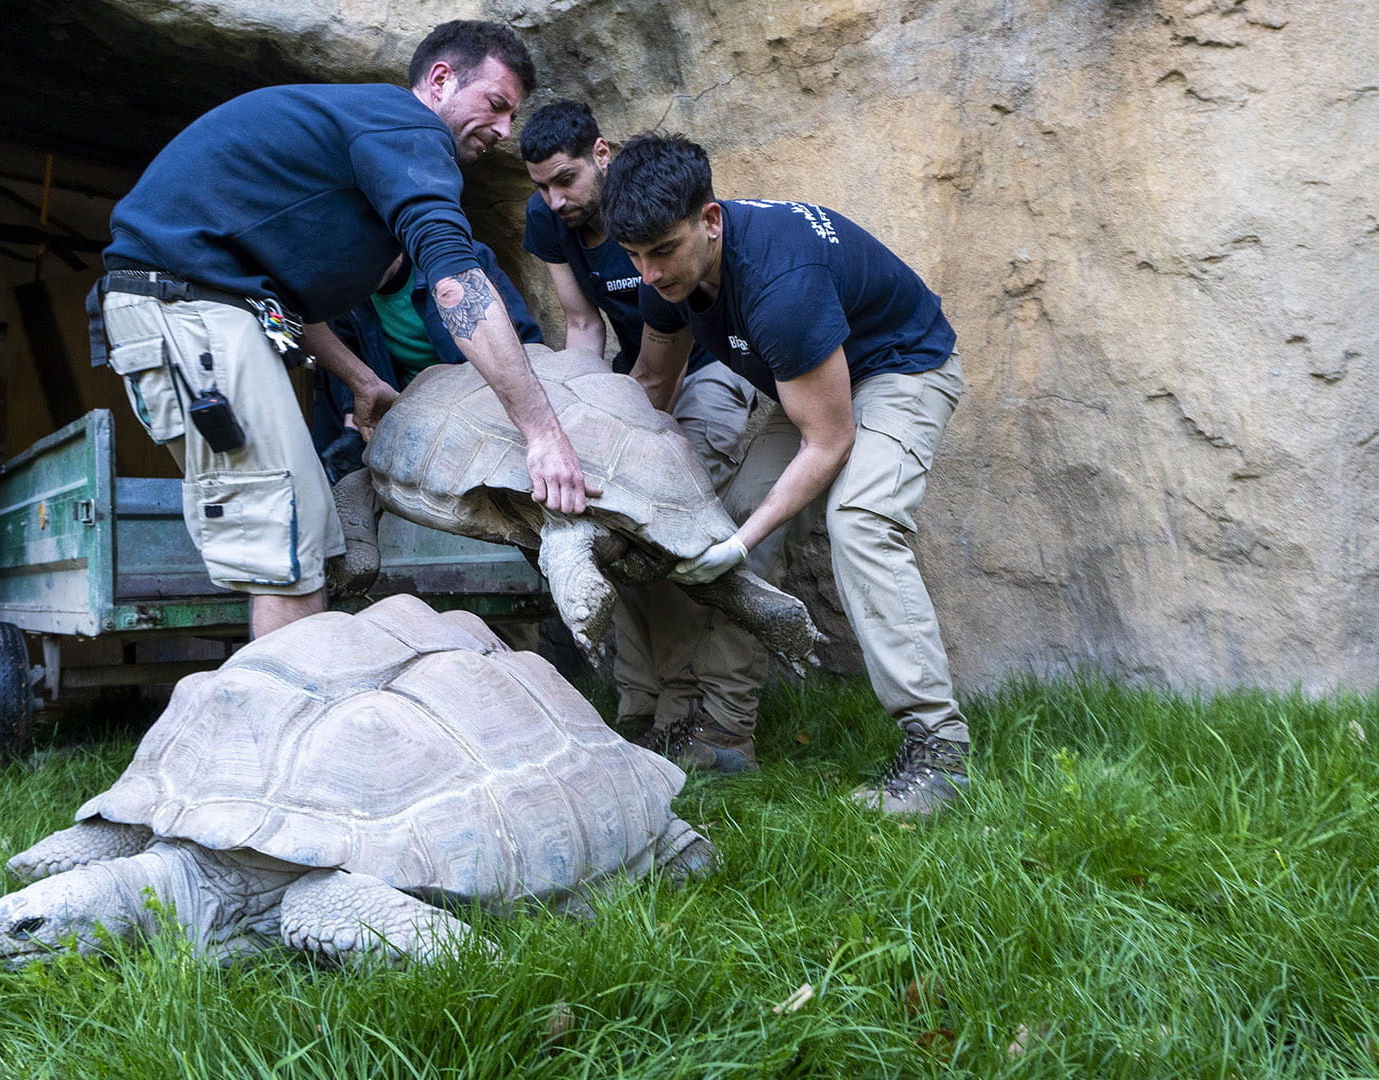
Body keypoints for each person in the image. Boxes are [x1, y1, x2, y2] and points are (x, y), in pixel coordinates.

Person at [90, 20, 594, 641]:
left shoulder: (360, 137)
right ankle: (289, 731)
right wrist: (542, 434)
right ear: (439, 81)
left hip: (214, 307)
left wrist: (362, 380)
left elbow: (281, 300)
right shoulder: (406, 127)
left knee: (312, 532)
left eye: (511, 116)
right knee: (289, 548)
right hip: (188, 307)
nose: (502, 130)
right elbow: (454, 280)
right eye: (495, 105)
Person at [602, 134, 971, 815]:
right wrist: (611, 482)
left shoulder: (781, 286)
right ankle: (722, 733)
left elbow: (828, 442)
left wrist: (738, 549)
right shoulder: (667, 273)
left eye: (661, 251)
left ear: (710, 221)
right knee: (741, 518)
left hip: (898, 370)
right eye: (633, 256)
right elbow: (652, 380)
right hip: (804, 380)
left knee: (859, 522)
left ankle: (938, 753)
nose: (648, 273)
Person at [519, 102, 762, 765]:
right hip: (640, 371)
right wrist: (586, 424)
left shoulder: (651, 202)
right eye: (542, 186)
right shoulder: (548, 219)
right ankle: (641, 707)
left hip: (711, 362)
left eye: (566, 180)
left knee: (660, 522)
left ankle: (687, 710)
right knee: (611, 519)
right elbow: (583, 326)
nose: (556, 199)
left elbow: (687, 318)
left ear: (602, 155)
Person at [310, 243, 543, 483]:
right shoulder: (346, 292)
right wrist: (352, 430)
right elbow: (349, 359)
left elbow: (524, 345)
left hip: (483, 410)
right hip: (403, 418)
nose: (351, 277)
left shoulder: (458, 261)